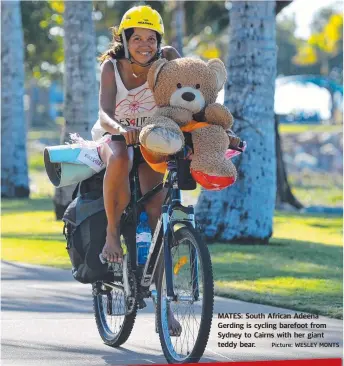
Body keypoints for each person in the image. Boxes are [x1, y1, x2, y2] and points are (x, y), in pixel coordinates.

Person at [92, 5, 181, 335]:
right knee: (120, 157)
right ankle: (112, 234)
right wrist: (119, 128)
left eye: (151, 38)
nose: (145, 44)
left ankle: (164, 308)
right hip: (116, 137)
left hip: (153, 140)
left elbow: (191, 90)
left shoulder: (167, 58)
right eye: (137, 38)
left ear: (159, 40)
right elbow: (103, 112)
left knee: (158, 210)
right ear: (125, 39)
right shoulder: (111, 66)